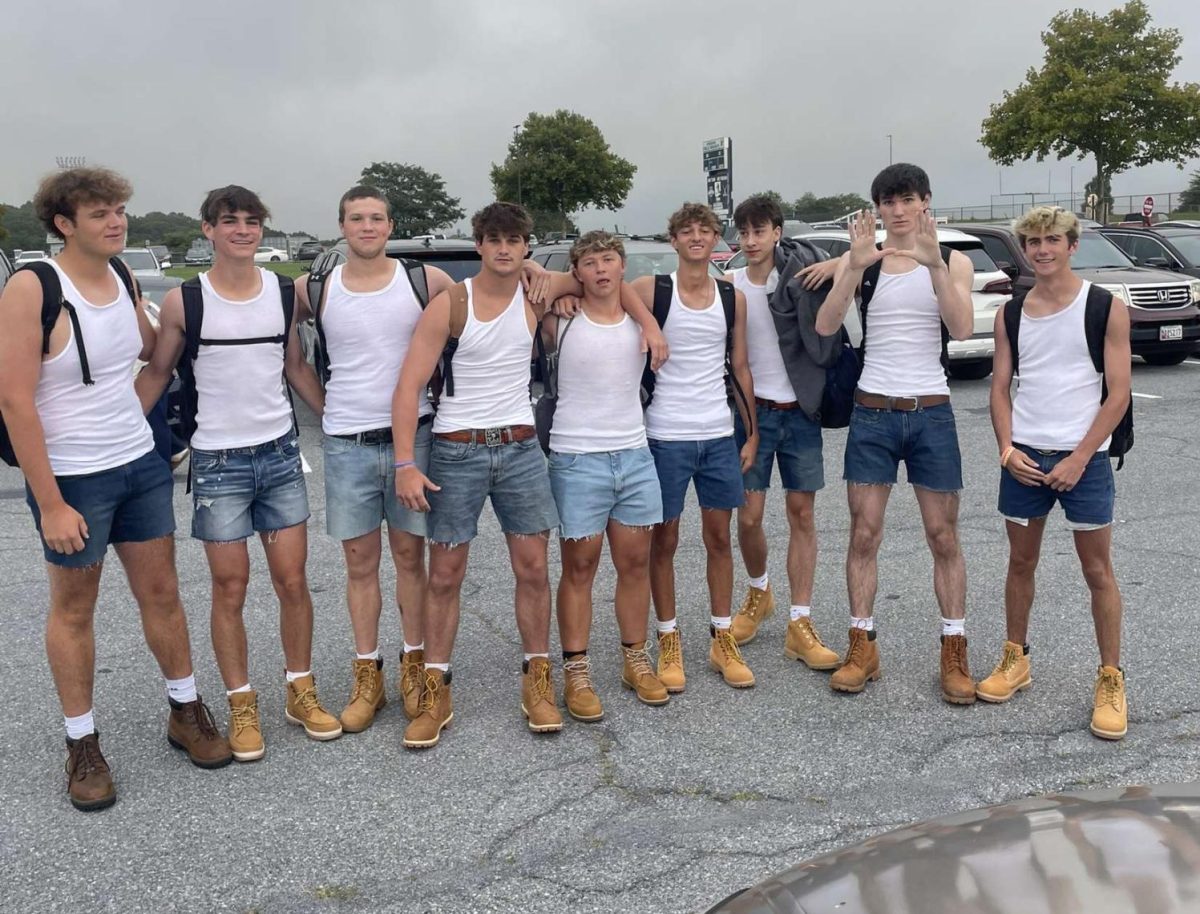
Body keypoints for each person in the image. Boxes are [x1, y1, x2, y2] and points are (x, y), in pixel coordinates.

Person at [392, 203, 664, 748]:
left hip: (519, 450)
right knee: (444, 574)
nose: (504, 249)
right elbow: (408, 386)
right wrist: (405, 463)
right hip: (457, 449)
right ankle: (436, 686)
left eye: (515, 240)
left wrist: (651, 322)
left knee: (534, 569)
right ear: (479, 245)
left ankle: (538, 680)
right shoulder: (451, 304)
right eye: (494, 240)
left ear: (525, 246)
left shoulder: (535, 294)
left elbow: (606, 282)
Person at [0, 166, 230, 811]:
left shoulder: (126, 275)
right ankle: (82, 744)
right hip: (74, 477)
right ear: (63, 224)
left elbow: (153, 350)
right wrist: (49, 503)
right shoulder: (33, 287)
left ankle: (185, 711)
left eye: (120, 209)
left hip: (140, 464)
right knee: (75, 609)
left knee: (162, 593)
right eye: (99, 212)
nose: (115, 221)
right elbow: (15, 401)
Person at [136, 185, 335, 761]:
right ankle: (242, 703)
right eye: (230, 222)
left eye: (252, 221)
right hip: (218, 463)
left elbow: (294, 365)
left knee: (292, 581)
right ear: (208, 230)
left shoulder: (283, 294)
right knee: (230, 586)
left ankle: (300, 688)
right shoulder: (184, 301)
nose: (242, 230)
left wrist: (334, 418)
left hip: (278, 457)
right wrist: (112, 429)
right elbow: (156, 375)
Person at [294, 185, 457, 733]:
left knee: (411, 560)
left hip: (416, 441)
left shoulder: (425, 281)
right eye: (357, 218)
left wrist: (543, 278)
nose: (367, 226)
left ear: (390, 226)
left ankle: (415, 663)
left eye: (377, 218)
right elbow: (287, 356)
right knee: (359, 566)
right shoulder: (313, 287)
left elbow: (488, 299)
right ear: (342, 226)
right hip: (347, 445)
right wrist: (324, 409)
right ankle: (370, 674)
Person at [814, 164, 977, 703]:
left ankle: (954, 649)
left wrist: (933, 267)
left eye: (908, 199)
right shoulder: (865, 262)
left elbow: (960, 328)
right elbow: (826, 325)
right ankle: (862, 644)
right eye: (888, 202)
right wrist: (849, 269)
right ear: (877, 209)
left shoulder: (954, 261)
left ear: (926, 202)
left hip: (931, 411)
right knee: (864, 534)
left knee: (943, 536)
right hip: (872, 413)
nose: (898, 210)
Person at [978, 205, 1131, 740]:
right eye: (1034, 242)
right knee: (1020, 563)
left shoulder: (1104, 307)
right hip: (1025, 457)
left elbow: (1119, 394)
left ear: (1072, 245)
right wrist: (1005, 448)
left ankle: (1111, 678)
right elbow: (1000, 388)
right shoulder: (1011, 314)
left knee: (1098, 572)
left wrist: (1080, 456)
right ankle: (1014, 659)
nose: (1042, 249)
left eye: (1052, 240)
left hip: (1081, 461)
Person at [632, 202, 758, 691]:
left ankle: (721, 637)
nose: (697, 238)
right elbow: (606, 289)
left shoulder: (731, 298)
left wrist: (751, 431)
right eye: (687, 231)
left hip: (718, 433)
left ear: (715, 239)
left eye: (706, 230)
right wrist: (646, 322)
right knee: (662, 541)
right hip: (665, 434)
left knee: (719, 538)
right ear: (675, 240)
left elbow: (741, 367)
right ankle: (668, 638)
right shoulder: (653, 289)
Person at [543, 231, 669, 721]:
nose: (601, 269)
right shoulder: (561, 319)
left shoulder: (639, 324)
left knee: (635, 565)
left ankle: (635, 658)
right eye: (590, 262)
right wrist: (562, 286)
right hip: (577, 459)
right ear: (577, 270)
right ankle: (576, 669)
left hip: (634, 456)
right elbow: (533, 278)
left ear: (622, 266)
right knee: (580, 568)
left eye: (609, 260)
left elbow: (633, 297)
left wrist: (649, 322)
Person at [725, 194, 841, 672]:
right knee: (748, 517)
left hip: (801, 413)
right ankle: (760, 592)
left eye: (760, 231)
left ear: (777, 231)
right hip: (752, 416)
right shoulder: (728, 286)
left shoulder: (801, 278)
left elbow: (870, 255)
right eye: (744, 233)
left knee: (802, 514)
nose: (751, 241)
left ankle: (801, 620)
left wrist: (841, 260)